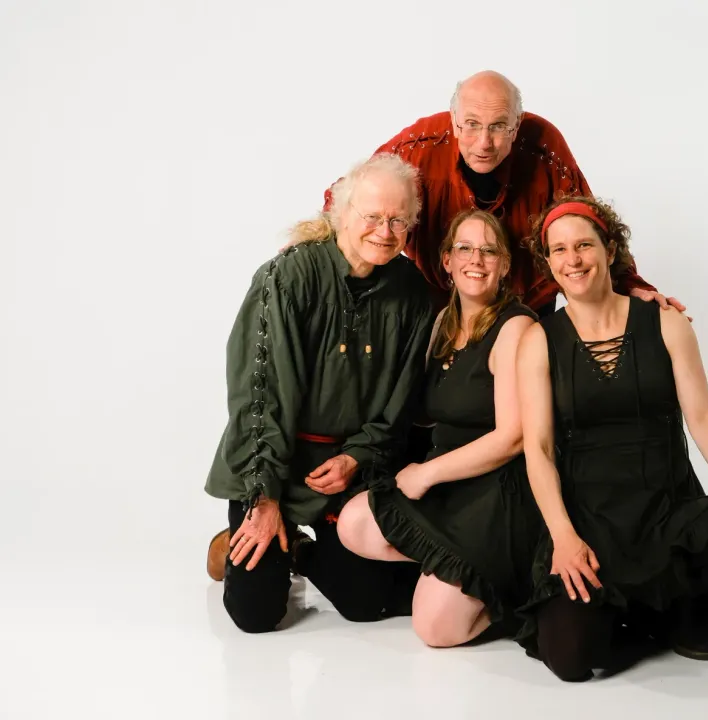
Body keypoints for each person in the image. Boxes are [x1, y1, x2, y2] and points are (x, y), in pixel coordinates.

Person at [515, 196, 708, 681]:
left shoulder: (665, 322)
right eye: (559, 250)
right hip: (590, 523)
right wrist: (563, 536)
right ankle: (648, 620)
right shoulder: (538, 340)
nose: (573, 260)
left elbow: (702, 415)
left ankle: (694, 623)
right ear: (548, 262)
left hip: (668, 511)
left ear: (610, 250)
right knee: (573, 660)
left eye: (584, 245)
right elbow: (538, 450)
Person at [203, 153, 434, 633]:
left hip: (345, 472)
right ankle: (235, 538)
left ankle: (301, 551)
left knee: (369, 600)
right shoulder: (288, 276)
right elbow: (258, 395)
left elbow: (402, 402)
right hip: (275, 467)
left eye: (398, 220)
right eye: (372, 216)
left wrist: (356, 457)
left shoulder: (414, 293)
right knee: (255, 613)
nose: (384, 231)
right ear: (342, 213)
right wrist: (265, 499)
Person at [283, 70, 683, 319]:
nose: (484, 142)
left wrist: (632, 284)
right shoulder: (420, 145)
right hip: (440, 302)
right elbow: (347, 199)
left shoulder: (544, 146)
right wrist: (326, 271)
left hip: (526, 304)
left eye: (498, 127)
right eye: (471, 124)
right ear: (454, 121)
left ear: (517, 125)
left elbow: (588, 225)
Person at [335, 209, 541, 648]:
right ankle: (454, 577)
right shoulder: (443, 321)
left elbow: (513, 437)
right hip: (448, 483)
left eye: (489, 251)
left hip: (495, 491)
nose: (476, 260)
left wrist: (425, 473)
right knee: (354, 523)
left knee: (435, 630)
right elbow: (425, 413)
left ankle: (510, 591)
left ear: (505, 265)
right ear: (447, 260)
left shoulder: (517, 327)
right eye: (464, 248)